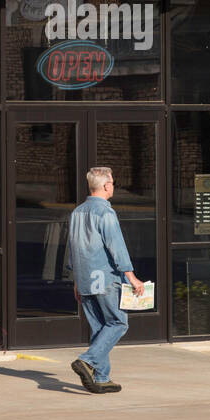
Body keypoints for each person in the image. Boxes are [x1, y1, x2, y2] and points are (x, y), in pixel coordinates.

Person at [67, 165, 144, 394]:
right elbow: (116, 247)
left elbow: (73, 249)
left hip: (85, 277)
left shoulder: (77, 212)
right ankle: (87, 360)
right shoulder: (106, 213)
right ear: (105, 185)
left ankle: (101, 377)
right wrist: (132, 277)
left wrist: (76, 281)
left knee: (100, 328)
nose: (113, 186)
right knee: (118, 323)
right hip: (105, 277)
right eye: (112, 182)